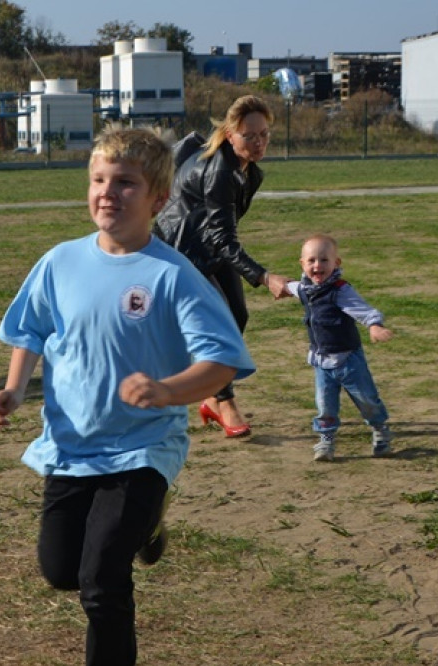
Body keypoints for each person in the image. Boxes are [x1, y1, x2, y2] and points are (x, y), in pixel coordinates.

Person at [0, 127, 254, 666]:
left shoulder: (173, 275)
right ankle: (150, 525)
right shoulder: (61, 261)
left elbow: (220, 361)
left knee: (103, 573)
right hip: (72, 445)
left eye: (126, 183)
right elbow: (31, 329)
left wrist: (167, 391)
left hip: (143, 447)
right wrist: (16, 390)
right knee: (62, 571)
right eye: (99, 180)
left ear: (158, 199)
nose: (108, 193)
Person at [153, 95, 291, 438]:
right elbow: (222, 238)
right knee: (217, 321)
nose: (258, 143)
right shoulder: (221, 171)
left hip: (209, 247)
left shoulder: (248, 171)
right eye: (249, 136)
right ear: (230, 135)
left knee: (238, 317)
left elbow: (222, 233)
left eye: (264, 135)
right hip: (182, 251)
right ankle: (221, 400)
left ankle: (210, 392)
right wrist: (264, 276)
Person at [285, 234, 394, 461]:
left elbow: (361, 309)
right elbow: (291, 287)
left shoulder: (340, 290)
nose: (317, 265)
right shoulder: (305, 289)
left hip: (348, 359)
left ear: (336, 263)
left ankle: (379, 428)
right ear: (302, 264)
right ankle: (326, 440)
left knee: (367, 399)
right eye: (312, 260)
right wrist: (275, 283)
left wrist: (374, 325)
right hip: (321, 361)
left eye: (324, 260)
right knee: (324, 404)